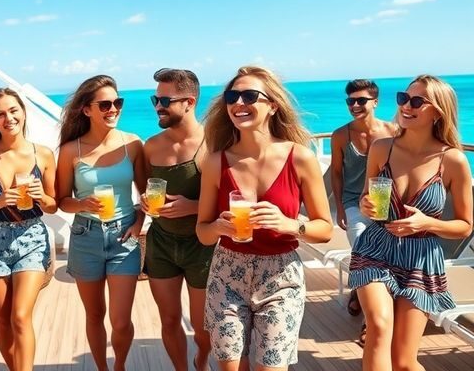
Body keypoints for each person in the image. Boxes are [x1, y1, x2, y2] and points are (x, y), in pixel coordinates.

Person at [196, 65, 334, 371]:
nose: (238, 103)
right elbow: (203, 233)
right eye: (232, 96)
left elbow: (324, 229)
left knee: (270, 368)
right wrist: (219, 226)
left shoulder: (300, 157)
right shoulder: (216, 161)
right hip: (227, 270)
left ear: (272, 105)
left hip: (280, 275)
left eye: (249, 96)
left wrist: (288, 224)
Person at [349, 74, 474, 371]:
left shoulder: (453, 161)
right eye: (403, 98)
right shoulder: (382, 148)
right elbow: (368, 197)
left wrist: (425, 223)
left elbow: (464, 226)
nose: (406, 105)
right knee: (378, 327)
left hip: (421, 258)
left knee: (404, 362)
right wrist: (365, 203)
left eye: (417, 101)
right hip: (376, 248)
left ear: (438, 112)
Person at [55, 75, 146, 371]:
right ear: (87, 110)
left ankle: (119, 365)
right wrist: (82, 204)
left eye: (117, 103)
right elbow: (61, 200)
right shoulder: (71, 151)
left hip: (124, 235)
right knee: (94, 314)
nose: (113, 109)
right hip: (86, 235)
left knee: (121, 321)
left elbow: (146, 193)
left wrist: (140, 221)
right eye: (105, 104)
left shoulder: (132, 143)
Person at [0, 87, 58, 371]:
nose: (9, 118)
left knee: (20, 316)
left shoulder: (43, 154)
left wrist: (42, 197)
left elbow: (54, 205)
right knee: (3, 319)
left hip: (31, 237)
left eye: (13, 111)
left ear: (24, 113)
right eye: (0, 114)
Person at [140, 68, 214, 371]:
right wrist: (145, 204)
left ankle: (202, 359)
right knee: (169, 320)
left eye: (165, 100)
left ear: (189, 102)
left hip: (203, 245)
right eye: (154, 99)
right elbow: (145, 191)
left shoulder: (214, 143)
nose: (158, 106)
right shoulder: (152, 146)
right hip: (162, 243)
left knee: (203, 327)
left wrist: (193, 206)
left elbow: (233, 199)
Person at [329, 79, 396, 337]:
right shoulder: (340, 135)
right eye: (350, 101)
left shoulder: (393, 131)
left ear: (375, 102)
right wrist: (341, 208)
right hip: (354, 202)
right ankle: (372, 320)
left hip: (386, 203)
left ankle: (359, 291)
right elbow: (336, 173)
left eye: (361, 100)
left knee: (383, 256)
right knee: (363, 248)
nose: (355, 105)